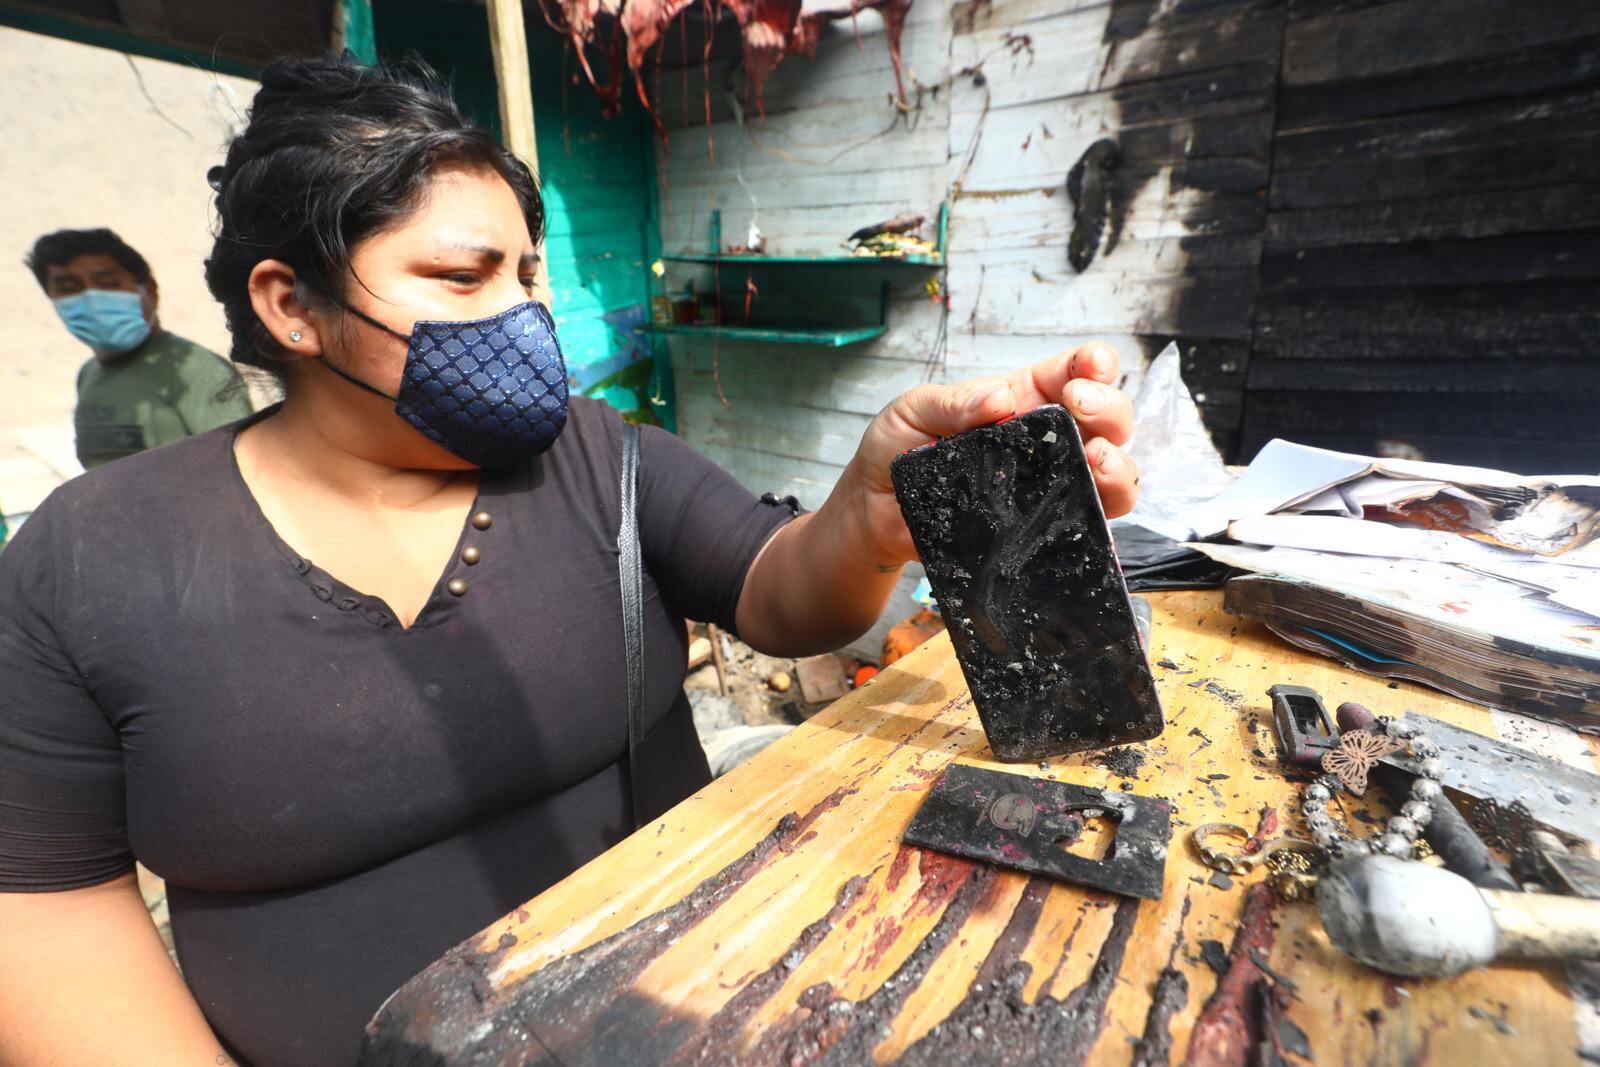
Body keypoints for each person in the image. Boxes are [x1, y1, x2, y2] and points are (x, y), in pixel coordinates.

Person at [0, 57, 1140, 1066]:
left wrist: (871, 511)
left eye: (525, 276)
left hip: (707, 1011)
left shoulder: (598, 456)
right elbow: (43, 902)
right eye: (463, 278)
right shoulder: (91, 557)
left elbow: (781, 594)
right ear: (291, 303)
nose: (519, 317)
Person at [25, 227, 254, 468]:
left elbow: (238, 470)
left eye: (108, 284)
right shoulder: (88, 374)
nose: (91, 299)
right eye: (69, 288)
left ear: (150, 291)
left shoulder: (198, 371)